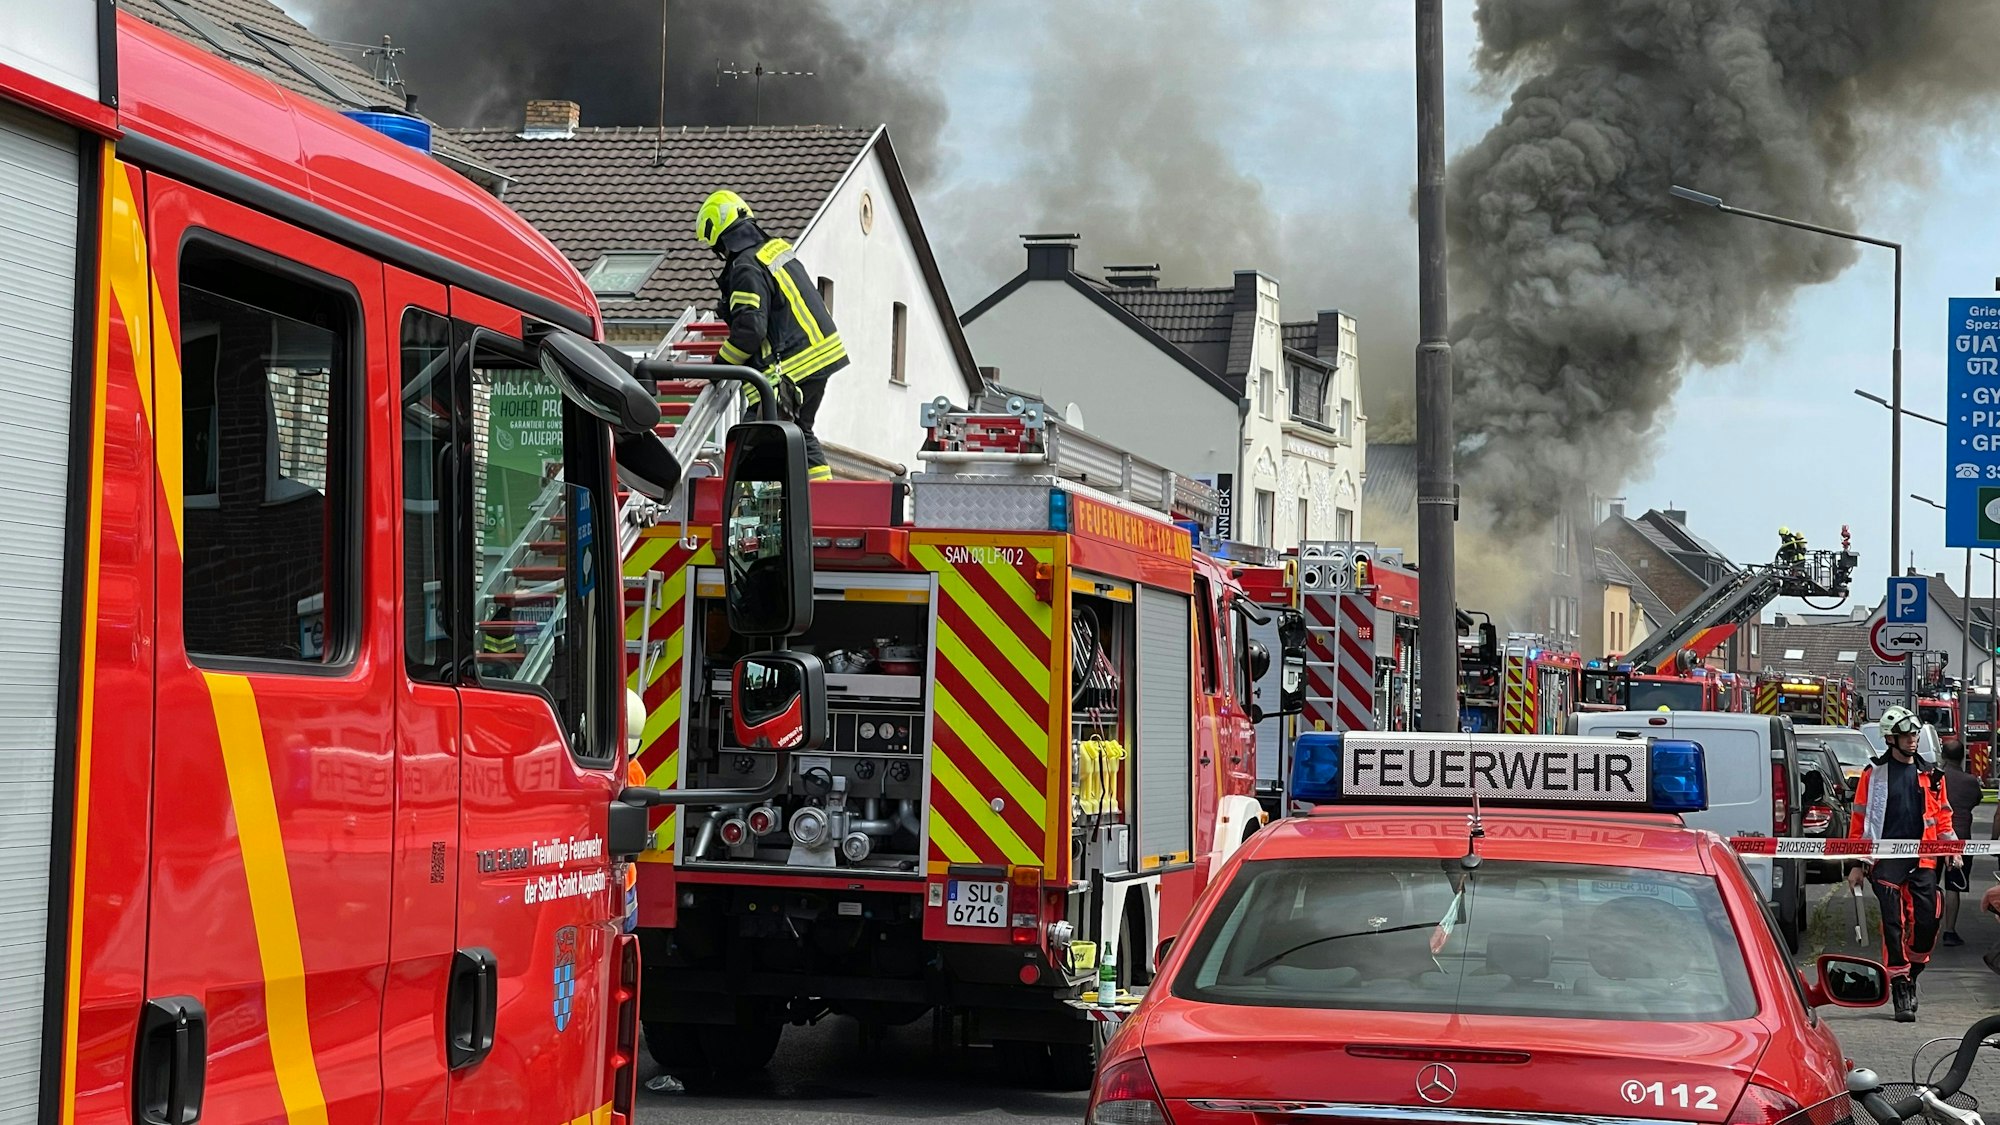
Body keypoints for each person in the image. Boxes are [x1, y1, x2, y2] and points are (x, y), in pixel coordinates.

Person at [694, 190, 848, 482]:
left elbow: (750, 331)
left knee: (751, 444)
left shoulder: (745, 267)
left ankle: (748, 507)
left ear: (720, 239)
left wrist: (716, 370)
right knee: (798, 434)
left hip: (789, 369)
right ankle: (822, 498)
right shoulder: (774, 250)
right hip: (818, 359)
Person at [1847, 705, 1960, 1020]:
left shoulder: (1932, 775)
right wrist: (1857, 863)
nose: (1913, 740)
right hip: (1886, 862)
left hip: (1923, 860)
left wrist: (1952, 848)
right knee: (1893, 923)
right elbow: (1860, 821)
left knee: (1928, 920)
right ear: (1891, 739)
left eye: (1915, 735)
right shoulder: (1873, 774)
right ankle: (1899, 984)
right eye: (1906, 735)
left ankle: (1913, 971)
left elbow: (1943, 817)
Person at [1938, 742, 1983, 946]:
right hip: (1960, 839)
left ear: (1943, 756)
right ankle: (1949, 931)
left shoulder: (1935, 778)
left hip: (1933, 839)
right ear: (1962, 757)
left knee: (1927, 884)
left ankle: (1925, 927)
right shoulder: (1970, 781)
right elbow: (1975, 800)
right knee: (1953, 886)